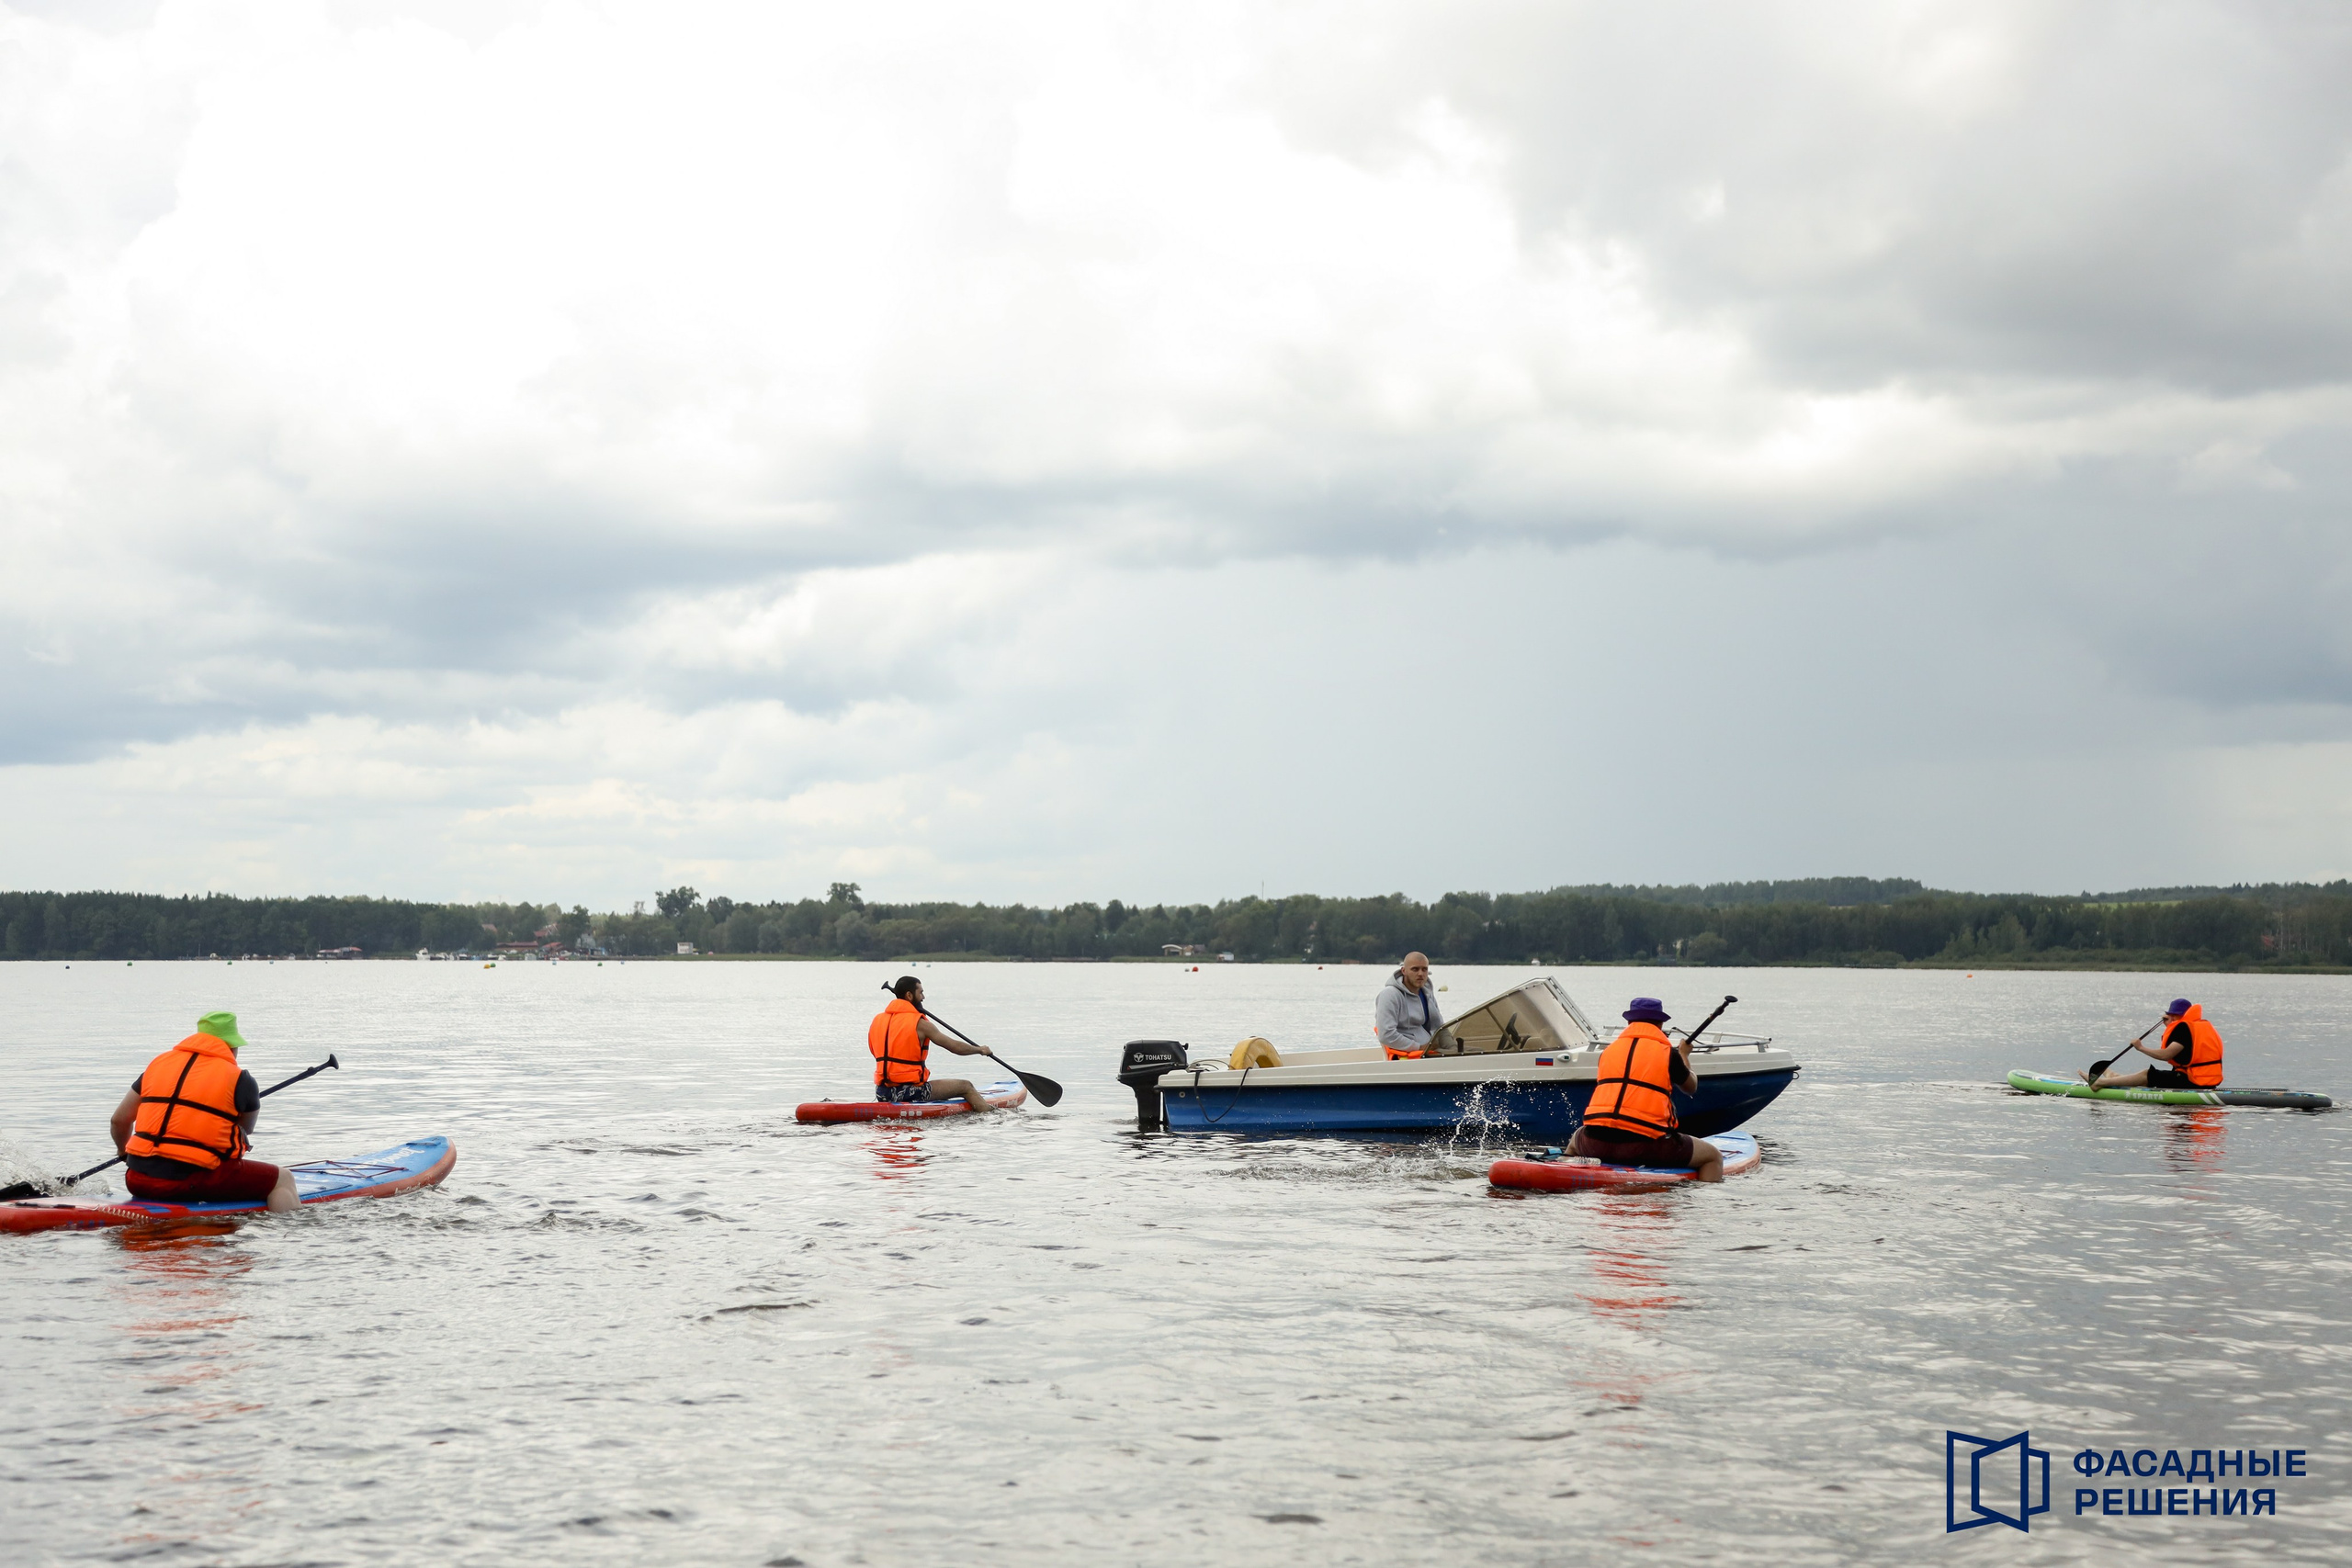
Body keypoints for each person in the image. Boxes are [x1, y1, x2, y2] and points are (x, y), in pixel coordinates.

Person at [109, 1011, 298, 1212]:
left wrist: (124, 1154)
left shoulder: (157, 1066)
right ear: (232, 1046)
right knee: (284, 1179)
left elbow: (119, 1121)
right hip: (192, 1181)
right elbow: (246, 1130)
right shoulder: (241, 1079)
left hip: (137, 1179)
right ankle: (288, 1233)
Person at [1570, 996, 1724, 1181]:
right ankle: (1703, 1206)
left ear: (1629, 1022)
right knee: (1713, 1157)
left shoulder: (1608, 1052)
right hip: (1644, 1147)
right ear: (1660, 1023)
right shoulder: (1670, 1055)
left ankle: (1564, 1170)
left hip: (1594, 1143)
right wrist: (1684, 1054)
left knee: (1575, 1139)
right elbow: (1691, 1087)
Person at [869, 976, 1000, 1111]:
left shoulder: (877, 1021)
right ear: (909, 995)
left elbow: (875, 1052)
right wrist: (979, 1050)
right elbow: (954, 1047)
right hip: (910, 1093)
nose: (923, 997)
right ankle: (992, 1119)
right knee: (966, 1087)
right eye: (920, 993)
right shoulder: (921, 1024)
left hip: (883, 1093)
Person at [2088, 998, 2223, 1089]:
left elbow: (2166, 1055)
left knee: (2148, 1074)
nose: (2169, 1018)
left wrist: (2141, 1048)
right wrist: (2169, 1025)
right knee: (2151, 1078)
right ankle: (2116, 1079)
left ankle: (2100, 1084)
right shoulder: (2198, 1026)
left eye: (2172, 1016)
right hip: (2206, 1081)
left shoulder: (2183, 1029)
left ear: (2178, 1016)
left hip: (2192, 1082)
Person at [1375, 952, 1443, 1059]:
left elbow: (1439, 1026)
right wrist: (1419, 1047)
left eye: (1424, 969)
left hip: (1430, 1052)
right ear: (1404, 971)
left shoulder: (1427, 993)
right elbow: (1386, 1035)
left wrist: (1453, 1046)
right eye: (1415, 969)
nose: (1420, 974)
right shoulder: (1389, 995)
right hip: (1407, 1058)